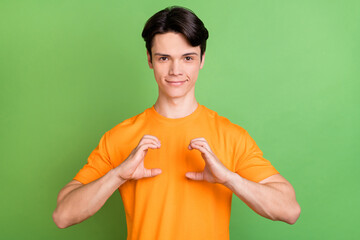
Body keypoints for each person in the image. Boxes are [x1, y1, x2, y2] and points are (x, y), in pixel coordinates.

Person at [52, 6, 301, 239]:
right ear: (150, 60)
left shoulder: (230, 135)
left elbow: (289, 210)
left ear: (202, 60)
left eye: (187, 58)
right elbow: (63, 215)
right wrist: (118, 175)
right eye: (164, 58)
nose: (175, 70)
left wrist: (229, 178)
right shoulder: (120, 137)